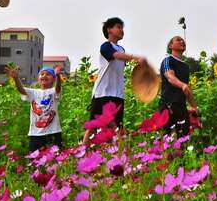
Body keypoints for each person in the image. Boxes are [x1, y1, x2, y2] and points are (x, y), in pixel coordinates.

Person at [83, 17, 146, 146]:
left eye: (122, 28)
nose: (121, 30)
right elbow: (115, 55)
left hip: (117, 93)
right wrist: (134, 58)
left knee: (117, 126)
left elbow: (120, 62)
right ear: (109, 30)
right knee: (94, 126)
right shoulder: (106, 46)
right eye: (118, 27)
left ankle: (115, 153)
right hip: (102, 93)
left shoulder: (122, 49)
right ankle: (84, 151)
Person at [5, 65, 63, 153]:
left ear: (54, 79)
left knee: (55, 159)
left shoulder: (53, 91)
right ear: (38, 79)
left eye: (48, 74)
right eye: (42, 74)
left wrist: (58, 76)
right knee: (35, 160)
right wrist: (16, 78)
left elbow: (58, 88)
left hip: (53, 132)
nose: (44, 76)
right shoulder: (34, 92)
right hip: (35, 133)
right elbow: (21, 90)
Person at [159, 36, 199, 137]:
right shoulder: (168, 60)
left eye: (183, 40)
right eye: (178, 40)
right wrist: (182, 85)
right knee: (171, 139)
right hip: (168, 105)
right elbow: (169, 76)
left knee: (184, 138)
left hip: (181, 106)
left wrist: (194, 107)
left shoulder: (185, 66)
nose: (182, 41)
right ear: (170, 46)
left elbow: (187, 89)